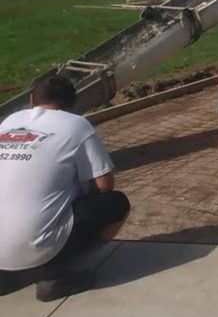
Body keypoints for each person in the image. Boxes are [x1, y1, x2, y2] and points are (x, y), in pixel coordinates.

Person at [0, 75, 130, 302]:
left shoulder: (9, 121)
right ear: (72, 104)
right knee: (116, 204)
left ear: (31, 99)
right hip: (34, 243)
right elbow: (105, 185)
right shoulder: (76, 125)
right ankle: (56, 274)